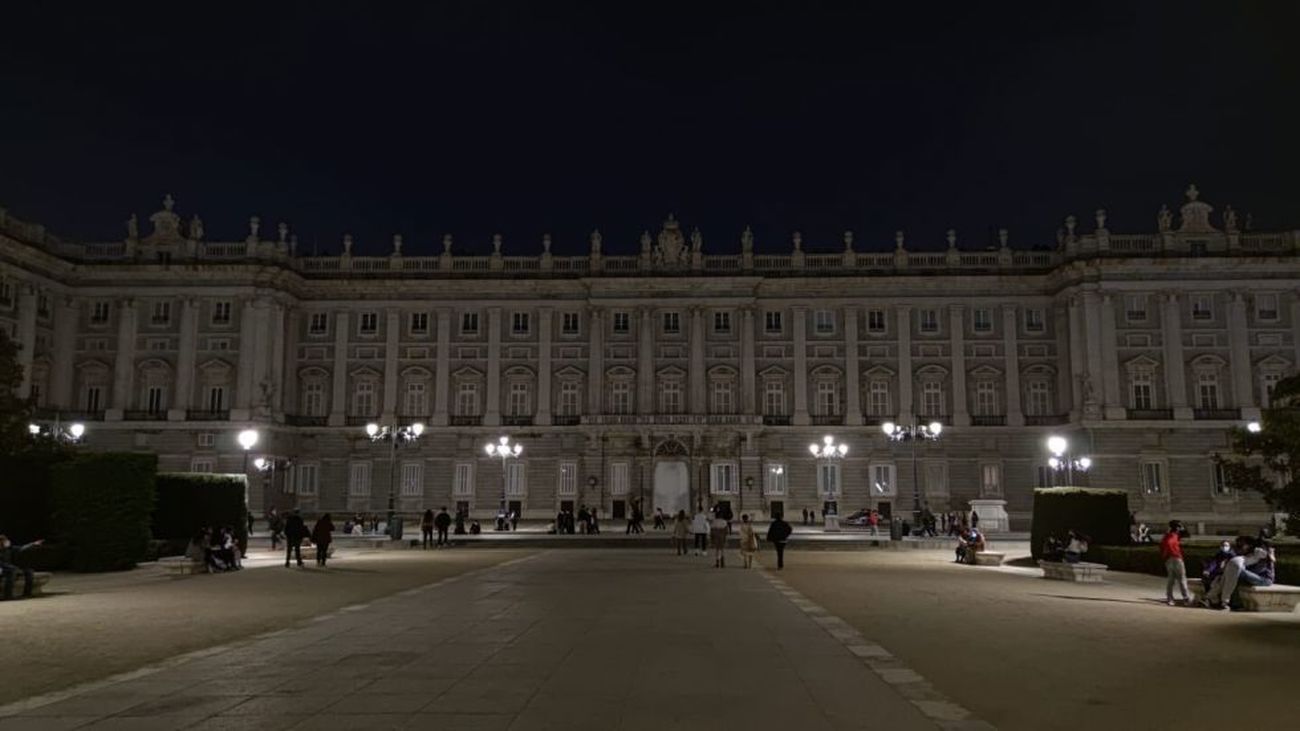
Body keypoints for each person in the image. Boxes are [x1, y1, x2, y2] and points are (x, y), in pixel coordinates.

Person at [1204, 536, 1275, 610]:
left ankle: (1217, 599)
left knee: (1234, 571)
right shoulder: (1247, 555)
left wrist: (1269, 552)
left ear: (1249, 545)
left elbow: (1269, 560)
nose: (1239, 547)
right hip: (1253, 577)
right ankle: (1219, 599)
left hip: (1264, 579)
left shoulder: (1258, 552)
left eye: (1242, 544)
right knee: (1230, 573)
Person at [0, 534, 43, 600]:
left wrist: (33, 544)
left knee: (29, 571)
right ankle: (8, 595)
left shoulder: (10, 549)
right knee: (11, 573)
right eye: (5, 541)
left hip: (10, 568)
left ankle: (27, 593)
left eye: (7, 541)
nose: (8, 542)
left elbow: (22, 548)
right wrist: (11, 567)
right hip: (2, 569)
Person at [1160, 520, 1191, 606]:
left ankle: (1170, 598)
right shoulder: (1174, 536)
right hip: (1176, 559)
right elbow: (1187, 534)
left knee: (1171, 580)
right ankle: (1185, 598)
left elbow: (1187, 534)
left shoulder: (1168, 536)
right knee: (1181, 579)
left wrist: (1164, 558)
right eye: (1179, 527)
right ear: (1177, 527)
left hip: (1170, 559)